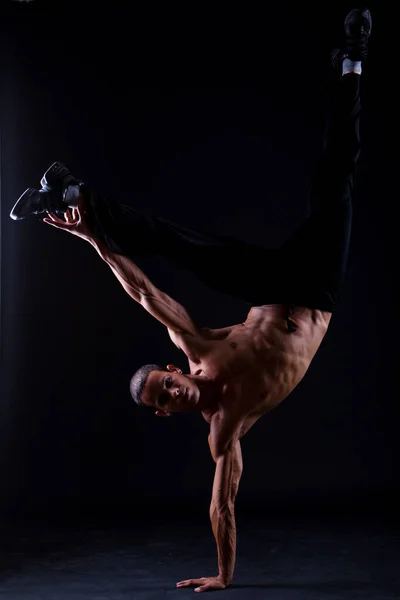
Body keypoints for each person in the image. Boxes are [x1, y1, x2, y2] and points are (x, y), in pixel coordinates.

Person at [10, 7, 372, 593]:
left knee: (183, 247)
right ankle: (352, 66)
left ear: (175, 371)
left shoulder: (200, 347)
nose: (174, 389)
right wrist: (224, 575)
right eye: (166, 398)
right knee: (338, 179)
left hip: (273, 284)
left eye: (168, 381)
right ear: (166, 411)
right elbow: (222, 505)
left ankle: (75, 197)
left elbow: (145, 292)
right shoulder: (224, 429)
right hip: (319, 290)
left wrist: (91, 236)